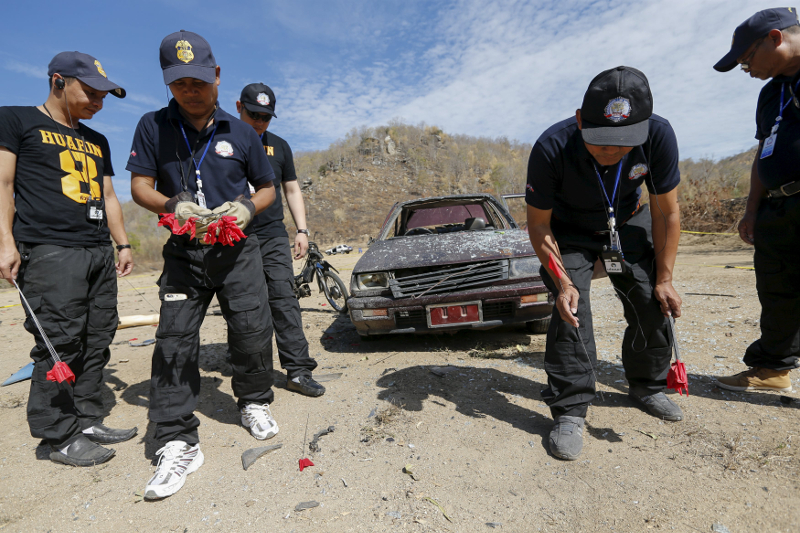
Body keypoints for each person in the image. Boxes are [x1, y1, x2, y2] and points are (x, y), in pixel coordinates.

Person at [128, 31, 279, 499]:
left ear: (216, 76)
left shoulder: (241, 131)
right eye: (178, 82)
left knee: (253, 329)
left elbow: (267, 188)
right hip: (184, 255)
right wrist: (173, 209)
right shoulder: (153, 126)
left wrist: (247, 209)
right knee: (174, 340)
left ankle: (253, 400)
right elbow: (140, 187)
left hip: (238, 251)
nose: (189, 89)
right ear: (167, 83)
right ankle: (177, 438)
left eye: (198, 79)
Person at [526, 66, 684, 461]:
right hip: (569, 232)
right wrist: (563, 283)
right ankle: (570, 409)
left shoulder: (659, 135)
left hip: (628, 222)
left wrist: (665, 277)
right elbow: (538, 223)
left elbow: (668, 212)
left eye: (623, 143)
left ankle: (647, 385)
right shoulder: (551, 147)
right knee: (572, 312)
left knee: (651, 300)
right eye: (601, 142)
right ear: (581, 120)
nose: (612, 151)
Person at [0, 52, 135, 467]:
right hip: (49, 250)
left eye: (104, 95)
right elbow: (3, 183)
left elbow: (109, 195)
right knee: (59, 340)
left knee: (99, 336)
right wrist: (5, 242)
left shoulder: (97, 140)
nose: (98, 101)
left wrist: (123, 243)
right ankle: (57, 434)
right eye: (90, 92)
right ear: (58, 81)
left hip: (97, 249)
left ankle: (87, 417)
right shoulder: (16, 120)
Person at [714, 8, 800, 393]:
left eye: (747, 59)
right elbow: (763, 152)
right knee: (776, 289)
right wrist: (752, 209)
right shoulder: (770, 94)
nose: (746, 69)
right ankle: (772, 370)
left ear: (775, 38)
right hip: (777, 207)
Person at [236, 83, 325, 397]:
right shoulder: (221, 141)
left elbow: (291, 190)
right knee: (250, 308)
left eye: (267, 117)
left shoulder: (280, 146)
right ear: (238, 108)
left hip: (273, 233)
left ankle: (298, 372)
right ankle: (256, 379)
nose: (260, 121)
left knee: (285, 301)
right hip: (237, 236)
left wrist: (302, 230)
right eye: (254, 114)